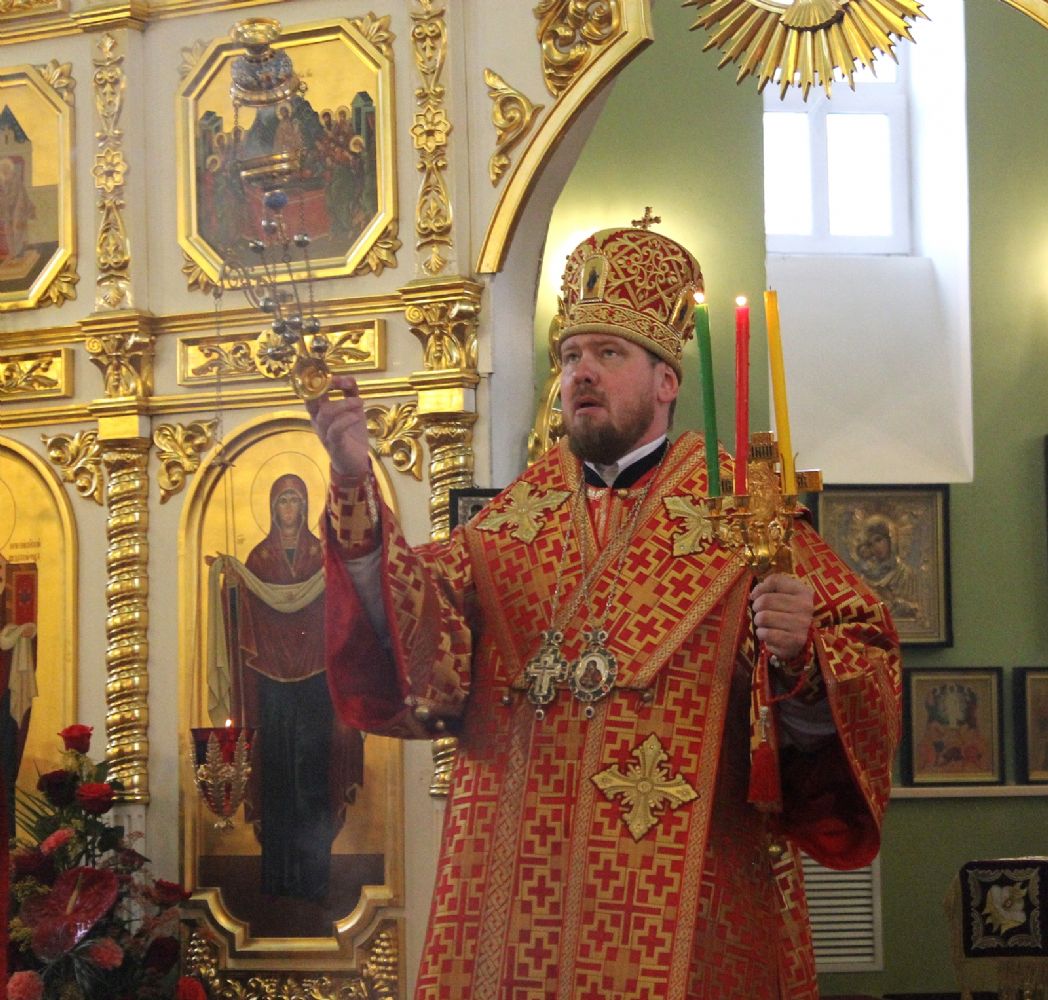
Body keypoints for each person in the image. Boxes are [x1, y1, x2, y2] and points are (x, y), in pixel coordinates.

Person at [308, 224, 901, 999]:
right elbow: (416, 642)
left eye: (608, 353)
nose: (580, 372)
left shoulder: (744, 515)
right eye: (569, 356)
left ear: (667, 382)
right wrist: (357, 487)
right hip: (514, 908)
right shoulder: (510, 523)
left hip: (690, 895)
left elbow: (861, 654)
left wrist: (802, 658)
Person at [208, 473, 363, 902]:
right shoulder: (258, 560)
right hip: (272, 686)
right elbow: (245, 612)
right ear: (273, 509)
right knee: (276, 775)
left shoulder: (322, 557)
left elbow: (341, 607)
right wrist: (233, 587)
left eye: (295, 500)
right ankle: (277, 878)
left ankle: (315, 879)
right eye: (282, 502)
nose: (289, 509)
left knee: (313, 774)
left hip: (316, 682)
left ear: (305, 505)